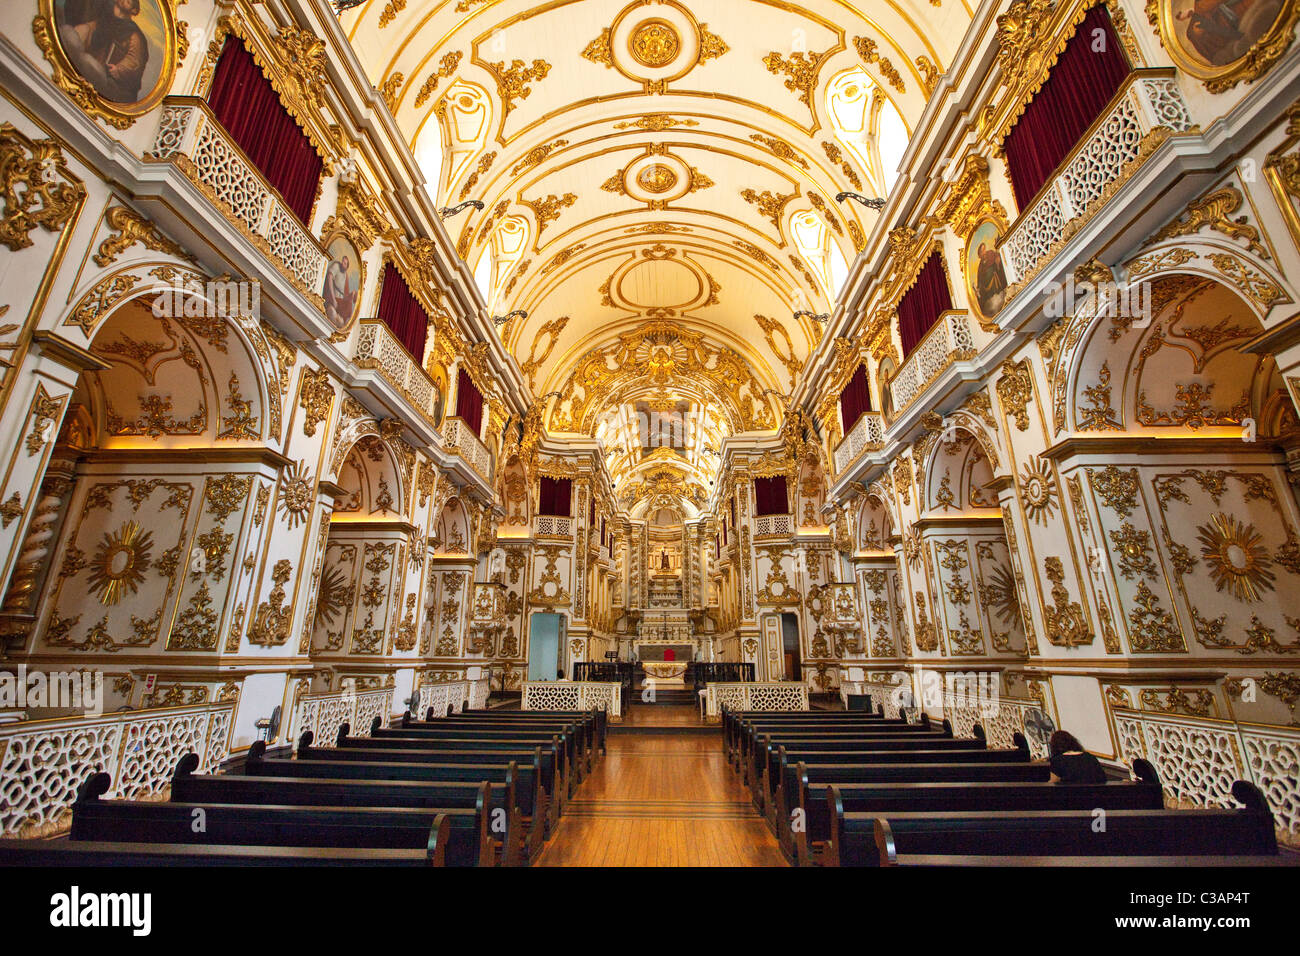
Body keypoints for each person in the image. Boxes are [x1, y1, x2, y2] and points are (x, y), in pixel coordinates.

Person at [60, 0, 151, 104]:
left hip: (111, 80)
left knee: (90, 65)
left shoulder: (134, 35)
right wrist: (82, 31)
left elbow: (135, 59)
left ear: (134, 10)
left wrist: (118, 69)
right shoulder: (106, 18)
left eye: (129, 1)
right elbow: (92, 28)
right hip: (91, 62)